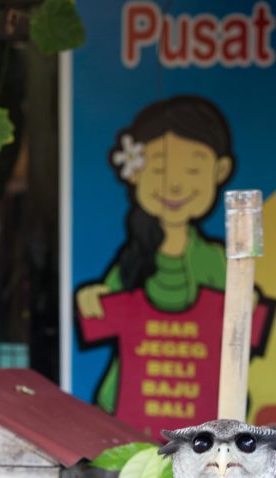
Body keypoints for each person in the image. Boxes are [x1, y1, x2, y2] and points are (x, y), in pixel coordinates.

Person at [76, 95, 236, 413]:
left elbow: (238, 327)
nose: (174, 185)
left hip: (200, 409)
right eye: (160, 168)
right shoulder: (131, 259)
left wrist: (243, 305)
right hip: (128, 404)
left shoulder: (214, 259)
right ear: (134, 173)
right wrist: (92, 299)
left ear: (220, 171)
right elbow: (103, 307)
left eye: (193, 169)